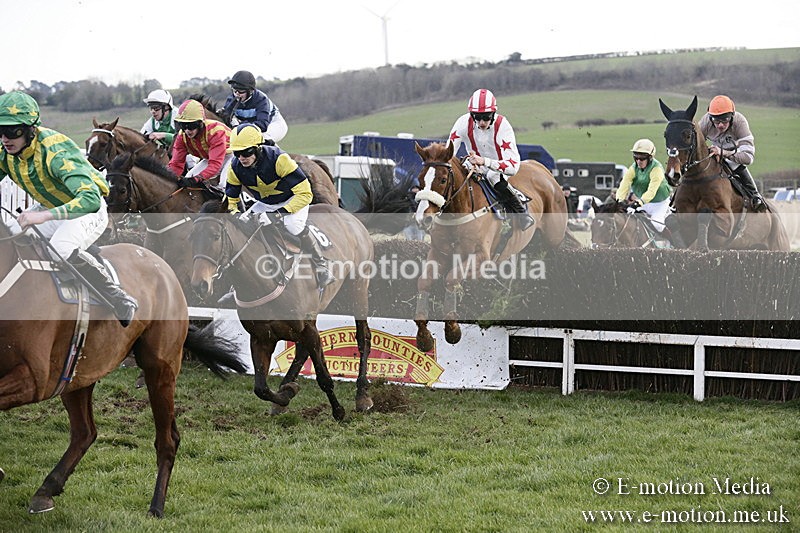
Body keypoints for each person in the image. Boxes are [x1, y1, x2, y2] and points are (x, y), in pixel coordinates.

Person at [0, 91, 137, 326]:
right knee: (9, 237)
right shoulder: (7, 152)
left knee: (60, 249)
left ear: (31, 129)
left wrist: (42, 216)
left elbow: (90, 200)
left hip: (87, 209)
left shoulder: (56, 153)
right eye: (0, 131)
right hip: (50, 207)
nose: (5, 138)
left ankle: (118, 296)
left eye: (13, 131)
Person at [224, 124, 334, 288]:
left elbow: (305, 194)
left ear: (258, 148)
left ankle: (321, 265)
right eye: (237, 153)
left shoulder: (279, 160)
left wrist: (278, 214)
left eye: (246, 152)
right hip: (266, 203)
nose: (241, 158)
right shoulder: (235, 167)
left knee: (293, 226)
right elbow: (231, 200)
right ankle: (239, 282)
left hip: (293, 200)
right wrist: (235, 214)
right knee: (241, 227)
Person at [447, 88, 534, 230]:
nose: (481, 122)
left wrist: (485, 162)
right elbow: (448, 153)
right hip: (475, 164)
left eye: (486, 117)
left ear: (493, 114)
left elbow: (512, 167)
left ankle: (521, 212)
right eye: (477, 117)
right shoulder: (462, 123)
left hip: (500, 167)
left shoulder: (502, 125)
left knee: (493, 177)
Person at [698, 94, 765, 212]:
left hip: (735, 153)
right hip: (714, 152)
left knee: (734, 164)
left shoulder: (740, 122)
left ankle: (754, 195)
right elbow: (696, 145)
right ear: (710, 118)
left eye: (725, 120)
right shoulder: (705, 122)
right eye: (716, 121)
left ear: (732, 117)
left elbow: (748, 158)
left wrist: (723, 153)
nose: (720, 125)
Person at [168, 99, 233, 188]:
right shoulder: (181, 136)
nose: (187, 131)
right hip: (211, 157)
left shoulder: (215, 132)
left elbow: (215, 164)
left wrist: (198, 178)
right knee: (188, 177)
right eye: (183, 126)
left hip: (233, 155)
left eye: (191, 125)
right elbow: (176, 164)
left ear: (200, 124)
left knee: (224, 185)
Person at [615, 139, 672, 233]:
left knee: (657, 225)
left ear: (650, 157)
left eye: (642, 159)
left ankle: (673, 243)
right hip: (644, 203)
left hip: (660, 203)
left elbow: (651, 192)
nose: (638, 161)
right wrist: (618, 201)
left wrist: (638, 203)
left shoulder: (656, 169)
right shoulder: (633, 168)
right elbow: (624, 185)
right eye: (636, 158)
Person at [219, 70, 288, 145]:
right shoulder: (231, 99)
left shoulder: (261, 100)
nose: (237, 94)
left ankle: (279, 155)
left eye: (241, 90)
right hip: (252, 124)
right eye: (234, 90)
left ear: (250, 91)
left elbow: (263, 125)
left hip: (273, 124)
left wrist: (239, 125)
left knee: (261, 140)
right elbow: (225, 118)